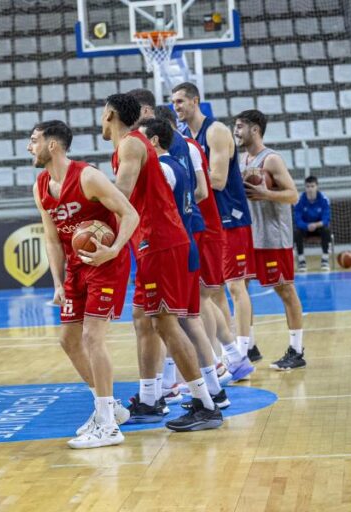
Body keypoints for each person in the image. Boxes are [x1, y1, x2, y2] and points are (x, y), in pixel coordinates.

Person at [101, 93, 223, 432]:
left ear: (110, 115)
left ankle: (205, 403)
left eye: (101, 114)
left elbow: (119, 195)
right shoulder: (132, 145)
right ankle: (151, 398)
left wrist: (88, 206)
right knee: (144, 319)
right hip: (151, 243)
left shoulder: (130, 145)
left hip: (161, 242)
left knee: (168, 324)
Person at [30, 120, 139, 448]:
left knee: (92, 337)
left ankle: (108, 426)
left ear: (53, 145)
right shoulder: (40, 185)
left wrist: (115, 250)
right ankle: (109, 407)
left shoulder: (88, 176)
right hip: (75, 270)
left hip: (106, 264)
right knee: (69, 340)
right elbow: (51, 239)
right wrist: (58, 282)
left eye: (34, 141)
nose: (29, 147)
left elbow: (130, 214)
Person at [139, 117, 231, 411]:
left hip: (173, 247)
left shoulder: (164, 168)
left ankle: (192, 395)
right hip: (187, 242)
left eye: (141, 139)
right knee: (189, 319)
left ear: (153, 140)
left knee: (169, 322)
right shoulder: (180, 161)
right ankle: (213, 390)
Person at [173, 82, 261, 363]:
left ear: (195, 101)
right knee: (214, 290)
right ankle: (234, 350)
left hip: (231, 216)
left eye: (180, 101)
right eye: (173, 103)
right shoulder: (185, 135)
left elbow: (219, 180)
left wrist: (180, 185)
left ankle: (245, 347)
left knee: (236, 286)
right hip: (210, 220)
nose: (176, 107)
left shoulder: (217, 131)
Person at [235, 109, 307, 371]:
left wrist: (267, 193)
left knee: (285, 290)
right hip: (250, 236)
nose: (236, 131)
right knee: (240, 287)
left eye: (241, 126)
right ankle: (249, 346)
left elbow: (293, 195)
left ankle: (297, 350)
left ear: (255, 129)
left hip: (274, 237)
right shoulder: (242, 159)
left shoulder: (272, 159)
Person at [293, 176, 332, 272]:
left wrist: (316, 225)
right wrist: (307, 226)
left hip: (318, 228)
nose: (310, 189)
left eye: (312, 186)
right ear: (305, 188)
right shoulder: (299, 200)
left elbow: (326, 219)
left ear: (317, 186)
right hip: (305, 229)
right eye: (308, 186)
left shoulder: (324, 199)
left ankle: (325, 259)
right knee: (297, 232)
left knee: (326, 230)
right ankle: (301, 261)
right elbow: (297, 220)